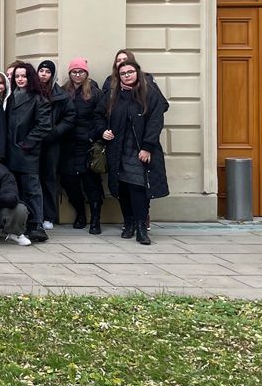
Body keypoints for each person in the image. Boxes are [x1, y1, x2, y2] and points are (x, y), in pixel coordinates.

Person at [98, 59, 169, 246]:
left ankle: (141, 227)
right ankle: (128, 223)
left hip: (139, 149)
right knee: (122, 188)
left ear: (137, 72)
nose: (127, 75)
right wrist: (103, 131)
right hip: (118, 148)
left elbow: (155, 121)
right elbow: (99, 115)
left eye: (130, 72)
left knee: (138, 187)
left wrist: (147, 147)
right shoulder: (113, 94)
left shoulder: (149, 93)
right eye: (123, 73)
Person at [5, 61, 52, 242]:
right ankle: (22, 224)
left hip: (28, 153)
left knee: (32, 189)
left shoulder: (39, 98)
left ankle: (37, 224)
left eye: (24, 76)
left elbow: (44, 126)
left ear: (30, 77)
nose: (20, 79)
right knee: (18, 189)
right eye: (17, 76)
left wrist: (27, 144)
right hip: (12, 152)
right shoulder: (11, 98)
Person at [61, 58, 105, 234]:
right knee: (69, 182)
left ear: (86, 73)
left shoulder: (95, 93)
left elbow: (100, 117)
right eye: (74, 72)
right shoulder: (64, 91)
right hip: (68, 145)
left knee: (91, 184)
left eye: (80, 71)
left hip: (87, 146)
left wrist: (91, 136)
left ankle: (95, 219)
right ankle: (80, 213)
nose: (77, 75)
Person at [36, 60, 77, 230]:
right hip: (33, 142)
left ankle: (49, 216)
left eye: (47, 72)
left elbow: (70, 117)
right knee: (33, 178)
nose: (44, 74)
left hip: (52, 143)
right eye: (41, 71)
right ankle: (34, 214)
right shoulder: (31, 91)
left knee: (49, 178)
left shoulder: (61, 95)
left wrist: (56, 132)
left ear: (52, 75)